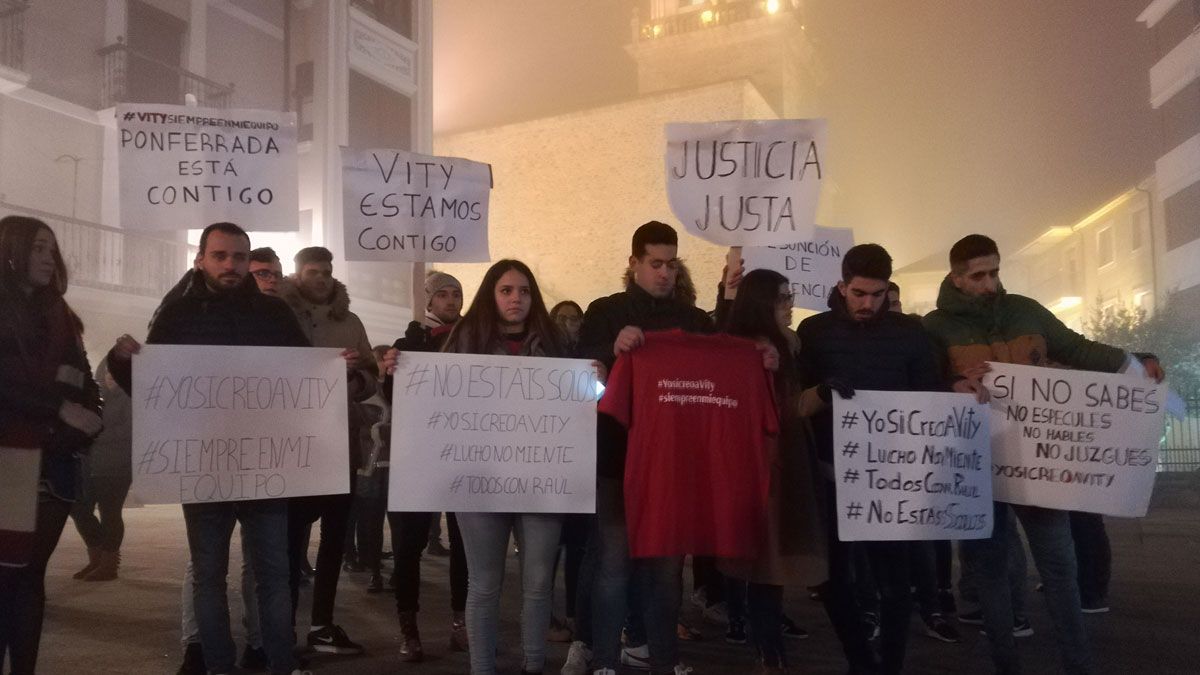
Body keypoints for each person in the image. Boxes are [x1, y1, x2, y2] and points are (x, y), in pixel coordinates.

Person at [923, 234, 1164, 675]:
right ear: (956, 278)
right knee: (992, 573)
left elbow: (1078, 349)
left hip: (1040, 464)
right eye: (978, 276)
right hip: (979, 468)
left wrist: (1134, 362)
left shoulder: (1026, 311)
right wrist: (952, 386)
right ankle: (1005, 664)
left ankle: (1079, 663)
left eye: (995, 272)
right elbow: (922, 385)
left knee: (1059, 565)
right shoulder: (934, 327)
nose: (991, 283)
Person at [107, 222, 317, 675]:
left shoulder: (275, 315)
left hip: (264, 465)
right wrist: (121, 361)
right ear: (200, 258)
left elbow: (305, 375)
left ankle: (279, 664)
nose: (231, 265)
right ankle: (218, 667)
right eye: (220, 256)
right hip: (204, 467)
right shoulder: (176, 315)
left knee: (275, 579)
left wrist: (339, 371)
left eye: (239, 257)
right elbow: (154, 388)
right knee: (208, 577)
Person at [387, 259, 568, 675]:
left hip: (542, 478)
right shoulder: (465, 339)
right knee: (484, 584)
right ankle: (482, 668)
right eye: (506, 290)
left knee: (539, 585)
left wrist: (596, 377)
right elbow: (430, 398)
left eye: (523, 290)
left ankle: (534, 665)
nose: (515, 299)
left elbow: (582, 401)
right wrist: (398, 370)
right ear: (491, 294)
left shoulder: (556, 343)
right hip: (480, 481)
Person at [796, 243, 944, 675]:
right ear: (841, 286)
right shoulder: (815, 332)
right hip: (832, 475)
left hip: (891, 479)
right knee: (835, 580)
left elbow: (928, 398)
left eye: (877, 295)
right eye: (859, 293)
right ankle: (860, 659)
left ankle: (890, 665)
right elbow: (797, 399)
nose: (867, 303)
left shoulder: (910, 334)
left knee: (895, 583)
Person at [576, 221, 716, 675]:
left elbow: (717, 371)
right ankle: (603, 661)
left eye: (671, 264)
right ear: (633, 263)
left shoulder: (693, 320)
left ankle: (663, 660)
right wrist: (613, 349)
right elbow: (583, 366)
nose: (664, 273)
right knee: (614, 563)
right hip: (616, 456)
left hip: (673, 464)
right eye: (655, 264)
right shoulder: (605, 311)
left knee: (667, 568)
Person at [0, 215, 103, 674]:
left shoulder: (60, 314)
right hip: (8, 459)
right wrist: (58, 409)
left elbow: (82, 381)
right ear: (11, 250)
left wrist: (90, 419)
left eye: (51, 249)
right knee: (5, 577)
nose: (49, 257)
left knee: (30, 578)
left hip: (55, 462)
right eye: (39, 248)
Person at [719, 268, 827, 672]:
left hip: (781, 461)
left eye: (790, 294)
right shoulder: (751, 350)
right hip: (764, 465)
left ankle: (762, 639)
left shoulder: (785, 345)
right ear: (762, 302)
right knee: (765, 561)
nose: (790, 303)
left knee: (766, 559)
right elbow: (777, 409)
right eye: (782, 297)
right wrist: (819, 395)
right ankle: (767, 648)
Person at [278, 245, 376, 655]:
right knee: (287, 540)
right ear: (298, 274)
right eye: (313, 271)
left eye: (327, 271)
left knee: (334, 538)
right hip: (291, 444)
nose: (321, 278)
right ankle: (281, 628)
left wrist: (354, 379)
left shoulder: (349, 321)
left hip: (339, 442)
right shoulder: (278, 316)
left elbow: (371, 374)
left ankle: (321, 623)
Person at [380, 269, 470, 661]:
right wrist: (391, 369)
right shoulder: (409, 342)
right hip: (417, 458)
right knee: (408, 545)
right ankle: (408, 625)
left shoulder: (475, 340)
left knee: (465, 543)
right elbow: (392, 396)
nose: (451, 301)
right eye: (444, 295)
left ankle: (460, 622)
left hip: (463, 455)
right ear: (430, 301)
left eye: (456, 294)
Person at [68, 358, 132, 582]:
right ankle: (96, 557)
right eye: (108, 372)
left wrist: (95, 433)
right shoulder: (95, 396)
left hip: (117, 466)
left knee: (110, 514)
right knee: (78, 508)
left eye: (115, 373)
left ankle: (109, 565)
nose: (111, 376)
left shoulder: (129, 397)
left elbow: (129, 431)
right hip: (91, 464)